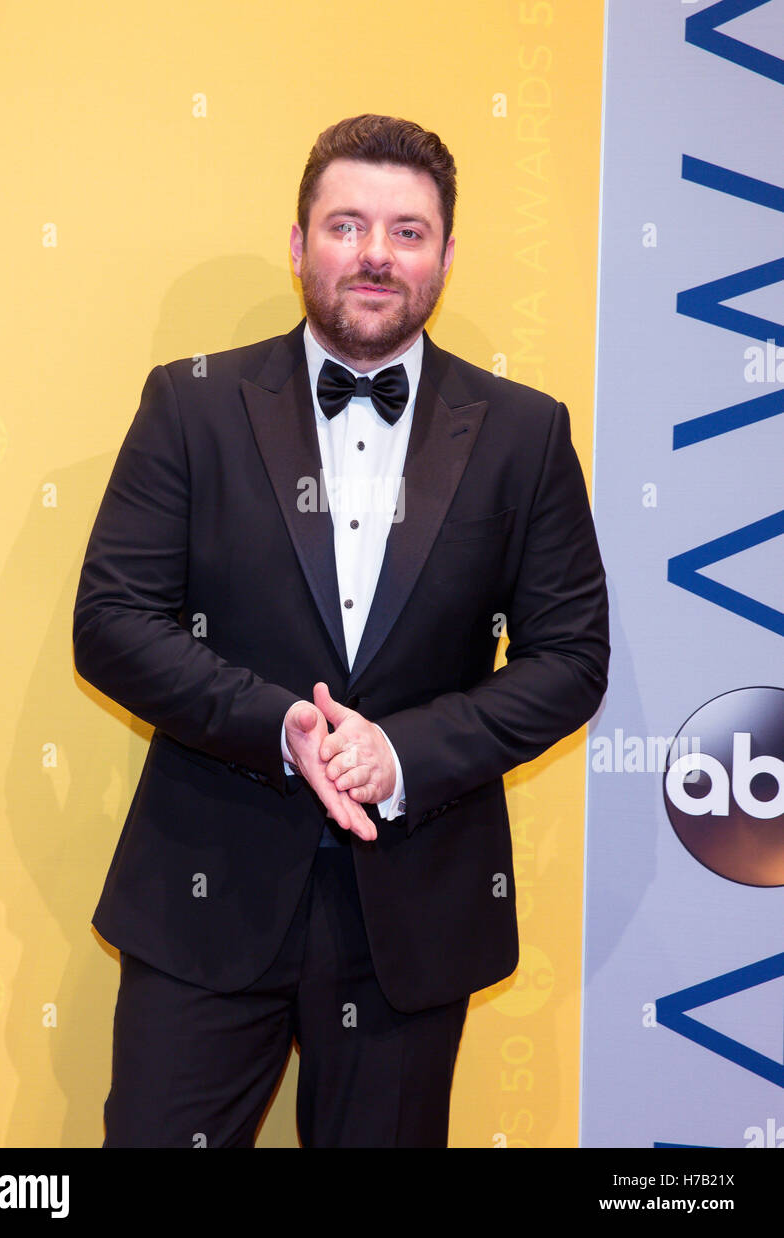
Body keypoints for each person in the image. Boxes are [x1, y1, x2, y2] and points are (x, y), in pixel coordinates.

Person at [73, 113, 609, 1148]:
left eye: (406, 232)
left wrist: (398, 750)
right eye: (346, 224)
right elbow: (112, 622)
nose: (374, 254)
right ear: (297, 244)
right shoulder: (190, 405)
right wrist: (281, 726)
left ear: (445, 256)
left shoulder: (525, 431)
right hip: (204, 897)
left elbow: (568, 658)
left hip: (412, 913)